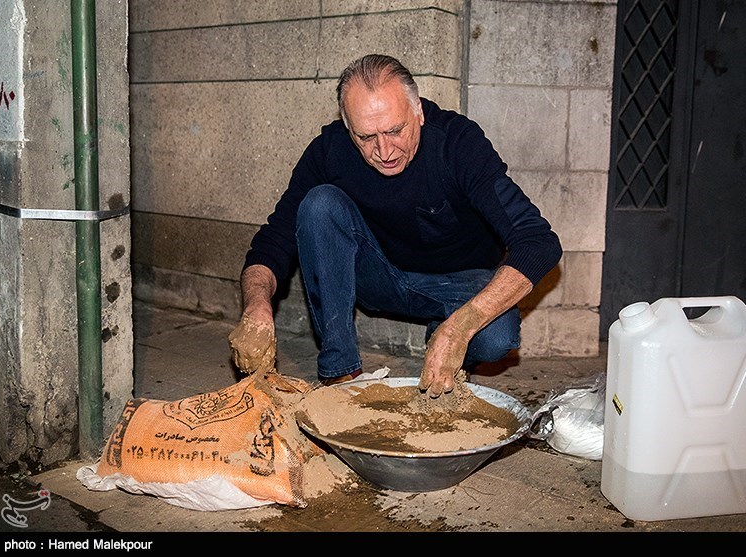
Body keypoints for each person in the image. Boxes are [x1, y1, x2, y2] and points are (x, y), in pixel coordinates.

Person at [229, 53, 562, 398]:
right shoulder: (329, 150)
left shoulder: (457, 142)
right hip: (379, 277)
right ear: (347, 126)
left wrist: (461, 326)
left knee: (496, 338)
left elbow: (538, 241)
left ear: (417, 109)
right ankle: (341, 376)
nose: (385, 150)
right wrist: (256, 305)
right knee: (319, 204)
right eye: (366, 137)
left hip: (459, 281)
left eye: (395, 130)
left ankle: (444, 327)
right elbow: (275, 238)